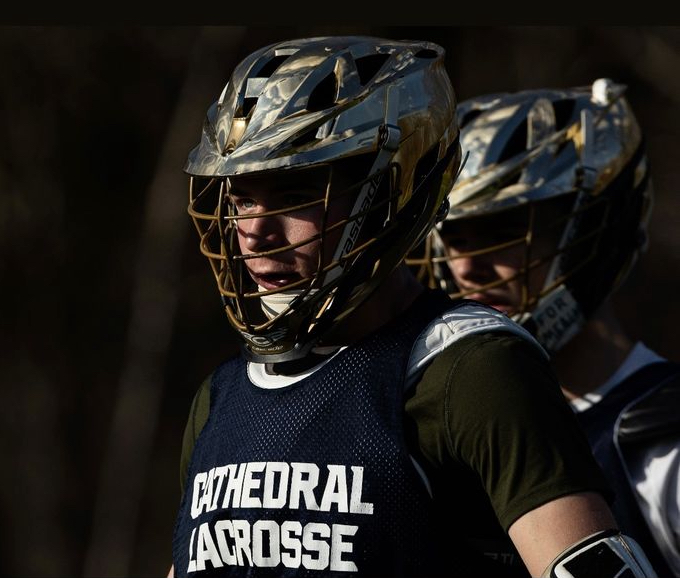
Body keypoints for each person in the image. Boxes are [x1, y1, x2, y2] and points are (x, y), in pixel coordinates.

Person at [170, 37, 657, 577]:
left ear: (387, 195)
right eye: (242, 198)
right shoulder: (222, 396)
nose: (254, 233)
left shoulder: (469, 368)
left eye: (294, 194)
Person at [415, 78, 679, 577]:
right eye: (454, 236)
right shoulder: (429, 418)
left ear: (590, 237)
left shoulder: (663, 443)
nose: (466, 267)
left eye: (502, 231)